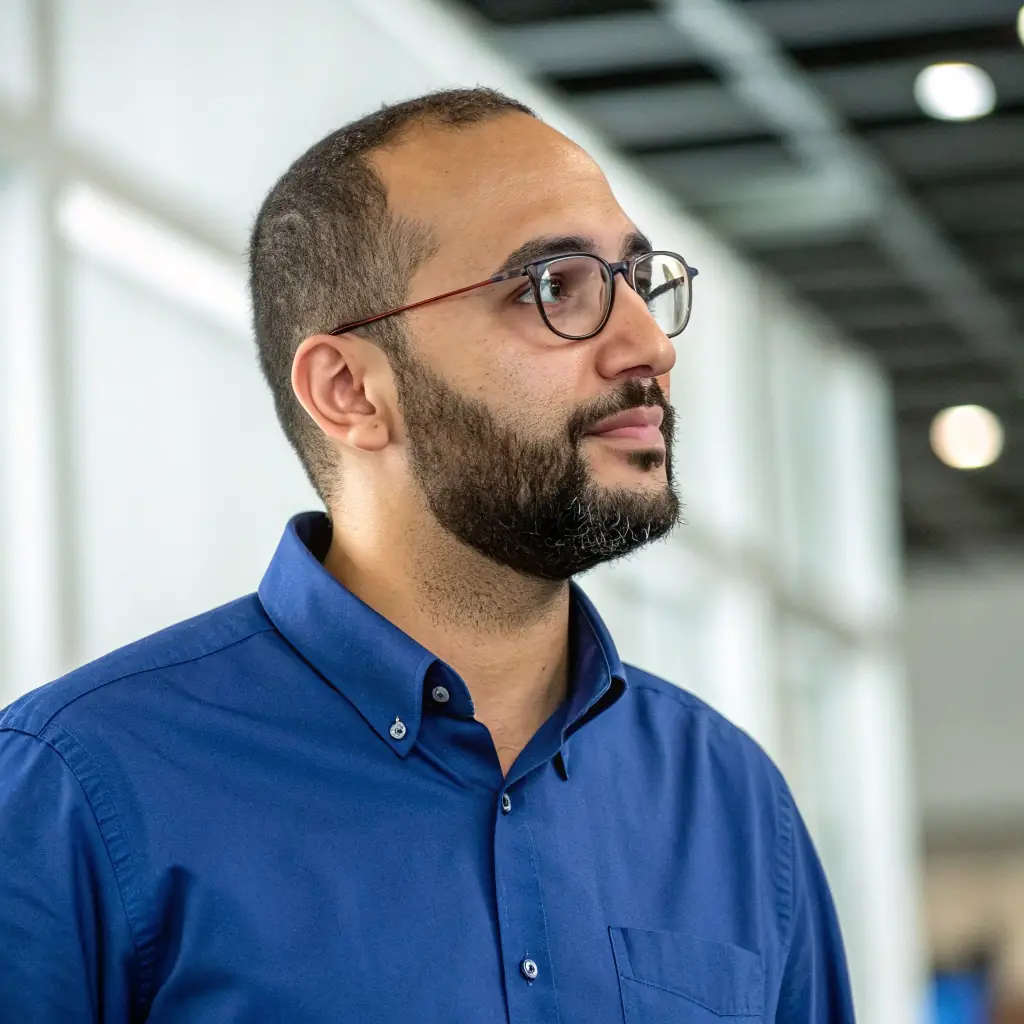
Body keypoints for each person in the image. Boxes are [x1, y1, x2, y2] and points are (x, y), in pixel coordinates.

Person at [0, 87, 855, 1022]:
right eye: (553, 288)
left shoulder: (732, 802)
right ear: (350, 390)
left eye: (637, 282)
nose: (649, 345)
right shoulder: (78, 788)